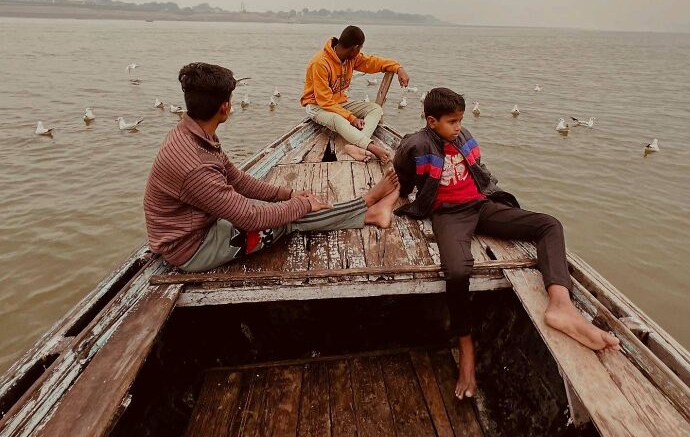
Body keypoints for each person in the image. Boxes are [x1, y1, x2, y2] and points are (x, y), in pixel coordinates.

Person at [392, 87, 620, 399]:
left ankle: (561, 305)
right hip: (449, 215)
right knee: (457, 272)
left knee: (549, 225)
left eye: (460, 120)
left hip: (480, 205)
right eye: (452, 122)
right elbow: (402, 176)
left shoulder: (463, 136)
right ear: (432, 122)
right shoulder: (416, 144)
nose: (459, 127)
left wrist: (495, 199)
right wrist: (394, 197)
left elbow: (481, 172)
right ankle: (466, 349)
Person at [144, 62, 399, 272]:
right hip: (193, 248)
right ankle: (368, 207)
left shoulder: (194, 135)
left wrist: (287, 195)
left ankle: (367, 210)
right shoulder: (195, 165)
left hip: (199, 227)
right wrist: (303, 204)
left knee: (283, 208)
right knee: (288, 219)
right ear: (225, 107)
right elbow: (250, 218)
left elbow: (238, 180)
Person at [301, 25, 410, 163]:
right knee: (338, 119)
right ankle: (370, 147)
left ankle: (356, 146)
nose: (360, 52)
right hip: (317, 106)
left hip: (340, 104)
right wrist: (351, 118)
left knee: (376, 109)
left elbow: (374, 62)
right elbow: (324, 101)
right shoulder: (319, 63)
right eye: (360, 48)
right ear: (355, 47)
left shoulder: (352, 58)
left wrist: (398, 68)